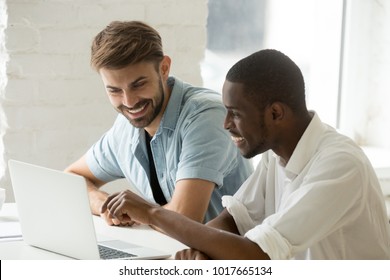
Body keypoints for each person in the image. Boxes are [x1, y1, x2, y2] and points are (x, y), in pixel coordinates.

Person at [101, 49, 390, 259]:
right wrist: (202, 250)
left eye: (235, 114)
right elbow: (233, 219)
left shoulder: (340, 164)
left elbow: (257, 253)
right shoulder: (275, 154)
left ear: (276, 113)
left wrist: (152, 213)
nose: (225, 124)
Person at [65, 21, 253, 226]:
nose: (129, 102)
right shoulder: (124, 127)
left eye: (139, 84)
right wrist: (105, 205)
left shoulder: (206, 116)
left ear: (164, 69)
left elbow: (186, 218)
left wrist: (139, 212)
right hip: (174, 252)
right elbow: (71, 178)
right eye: (114, 90)